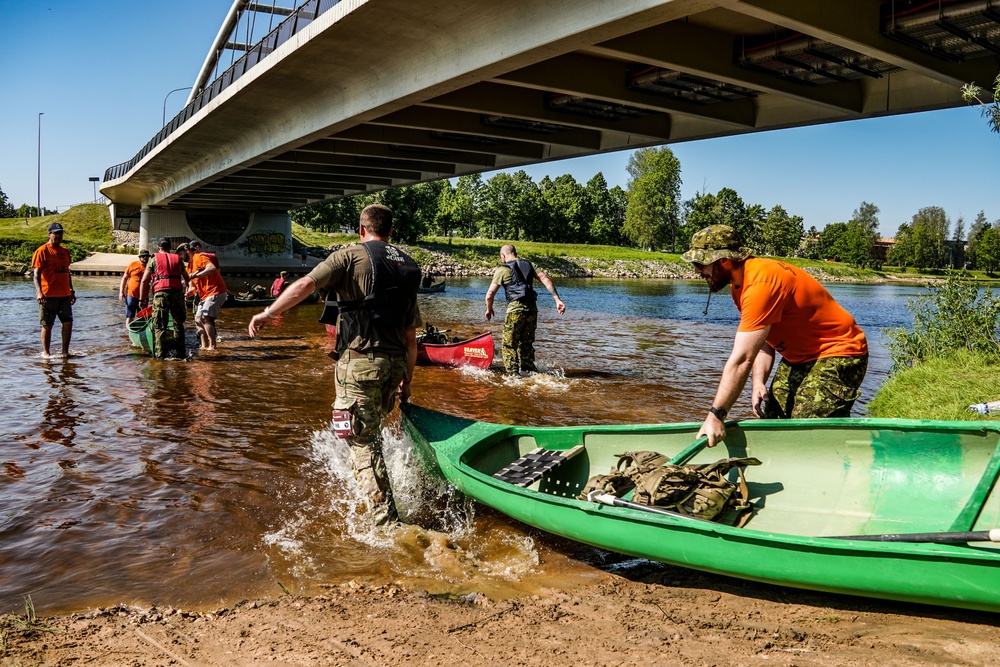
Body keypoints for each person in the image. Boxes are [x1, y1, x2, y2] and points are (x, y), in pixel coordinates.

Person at [249, 204, 421, 526]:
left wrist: (268, 313)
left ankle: (387, 526)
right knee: (370, 434)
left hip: (360, 366)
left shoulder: (349, 256)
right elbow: (411, 339)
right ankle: (380, 494)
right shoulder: (407, 266)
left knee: (359, 440)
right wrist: (407, 381)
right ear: (391, 232)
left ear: (361, 229)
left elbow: (304, 285)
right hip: (395, 366)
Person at [682, 225, 869, 448]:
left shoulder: (760, 284)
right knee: (773, 419)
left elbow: (741, 359)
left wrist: (716, 416)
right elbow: (763, 343)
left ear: (724, 260)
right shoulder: (739, 286)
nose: (697, 271)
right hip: (800, 358)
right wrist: (758, 382)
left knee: (808, 424)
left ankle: (839, 461)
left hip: (840, 351)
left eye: (700, 264)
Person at [485, 244, 566, 375]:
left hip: (515, 310)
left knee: (509, 345)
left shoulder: (502, 269)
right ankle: (529, 371)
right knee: (527, 343)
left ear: (503, 256)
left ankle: (513, 375)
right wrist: (557, 300)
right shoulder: (529, 264)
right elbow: (546, 280)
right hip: (532, 309)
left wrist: (489, 309)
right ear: (515, 253)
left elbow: (489, 295)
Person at [139, 238, 190, 359]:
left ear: (158, 248)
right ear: (170, 248)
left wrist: (142, 299)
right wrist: (187, 290)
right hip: (177, 294)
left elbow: (144, 281)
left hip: (161, 294)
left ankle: (160, 357)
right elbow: (187, 279)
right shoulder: (178, 259)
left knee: (160, 326)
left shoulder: (153, 259)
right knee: (179, 324)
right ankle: (181, 354)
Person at [32, 222, 76, 357]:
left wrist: (71, 290)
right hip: (48, 295)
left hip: (64, 295)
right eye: (56, 233)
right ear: (49, 234)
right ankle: (46, 353)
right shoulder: (42, 251)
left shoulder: (65, 251)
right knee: (47, 325)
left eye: (60, 233)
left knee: (68, 323)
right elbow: (36, 274)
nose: (58, 236)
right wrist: (39, 292)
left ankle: (65, 352)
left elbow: (67, 272)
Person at [179, 242, 228, 350]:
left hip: (216, 291)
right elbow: (192, 287)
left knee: (205, 317)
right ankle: (204, 345)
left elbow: (211, 268)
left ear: (187, 251)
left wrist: (196, 274)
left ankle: (213, 346)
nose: (181, 258)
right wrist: (188, 293)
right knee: (197, 319)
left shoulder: (199, 257)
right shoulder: (188, 268)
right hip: (205, 295)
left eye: (181, 254)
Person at [119, 249, 150, 327]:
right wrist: (121, 292)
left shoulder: (150, 267)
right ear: (139, 257)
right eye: (143, 256)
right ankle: (128, 331)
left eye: (147, 256)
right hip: (131, 295)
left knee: (143, 316)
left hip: (144, 296)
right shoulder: (132, 264)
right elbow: (124, 278)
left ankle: (141, 332)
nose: (145, 258)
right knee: (130, 315)